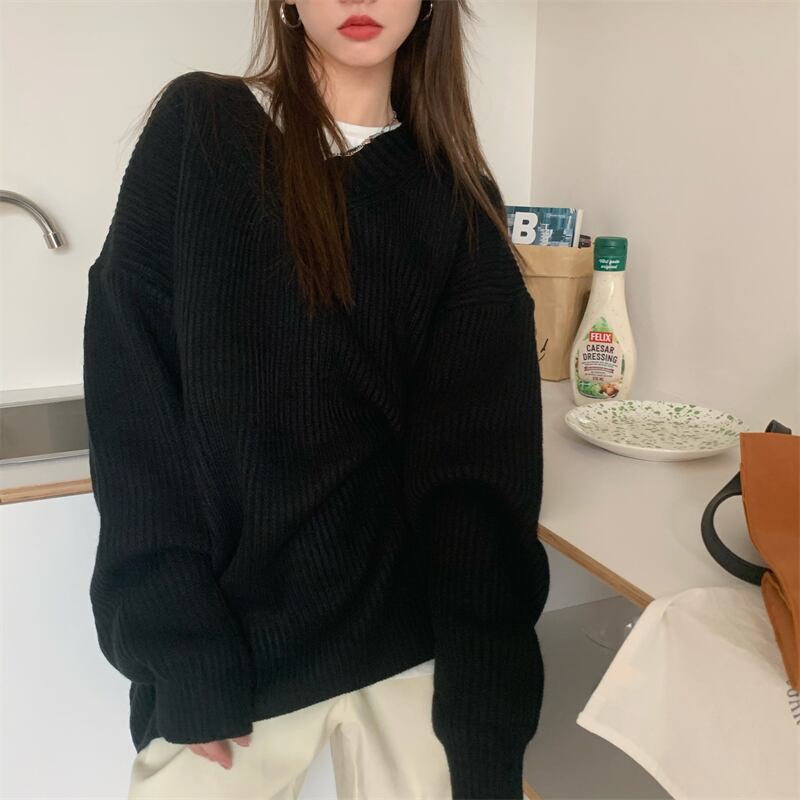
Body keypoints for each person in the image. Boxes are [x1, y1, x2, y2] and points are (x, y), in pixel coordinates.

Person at [82, 1, 550, 798]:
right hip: (231, 657)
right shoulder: (200, 129)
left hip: (408, 649)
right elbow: (136, 406)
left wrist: (486, 713)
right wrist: (178, 646)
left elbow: (477, 479)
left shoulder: (457, 200)